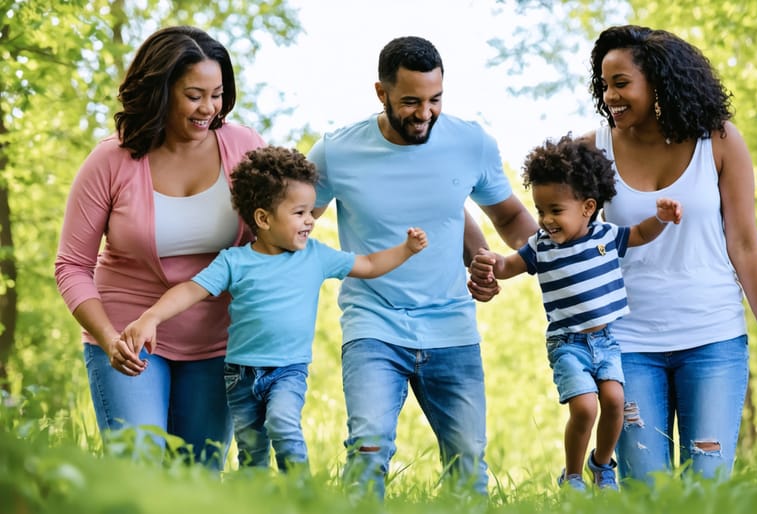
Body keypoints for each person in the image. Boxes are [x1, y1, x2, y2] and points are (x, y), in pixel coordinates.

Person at [306, 35, 538, 499]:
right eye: (411, 101)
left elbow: (510, 218)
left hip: (451, 324)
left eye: (435, 100)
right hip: (373, 322)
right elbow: (295, 224)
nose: (424, 113)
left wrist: (538, 259)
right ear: (381, 93)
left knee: (469, 464)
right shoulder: (336, 151)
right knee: (369, 448)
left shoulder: (469, 142)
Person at [118, 146, 428, 472]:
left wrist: (406, 249)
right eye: (299, 213)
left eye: (311, 212)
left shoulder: (315, 256)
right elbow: (190, 290)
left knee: (282, 424)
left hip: (288, 371)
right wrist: (150, 317)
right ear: (263, 218)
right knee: (251, 453)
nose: (310, 221)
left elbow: (368, 263)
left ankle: (301, 493)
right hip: (240, 375)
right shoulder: (234, 261)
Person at [584, 25, 757, 483]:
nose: (610, 96)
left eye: (622, 83)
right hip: (627, 343)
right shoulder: (592, 151)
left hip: (713, 340)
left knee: (707, 487)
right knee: (647, 490)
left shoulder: (717, 141)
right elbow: (555, 224)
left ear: (658, 82)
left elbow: (744, 243)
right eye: (605, 84)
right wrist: (507, 262)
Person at [54, 26, 266, 469]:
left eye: (218, 94)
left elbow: (271, 235)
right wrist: (110, 339)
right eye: (194, 95)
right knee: (142, 469)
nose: (209, 108)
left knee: (198, 478)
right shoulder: (111, 160)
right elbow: (72, 265)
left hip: (215, 342)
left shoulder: (243, 148)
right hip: (127, 340)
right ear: (161, 90)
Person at [469, 135, 683, 492]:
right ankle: (571, 476)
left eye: (555, 211)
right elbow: (509, 265)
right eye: (540, 211)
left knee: (615, 401)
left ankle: (601, 465)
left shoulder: (604, 236)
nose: (546, 220)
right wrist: (492, 262)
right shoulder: (540, 247)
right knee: (585, 408)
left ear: (587, 207)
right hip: (567, 343)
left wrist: (661, 218)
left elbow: (642, 233)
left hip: (606, 341)